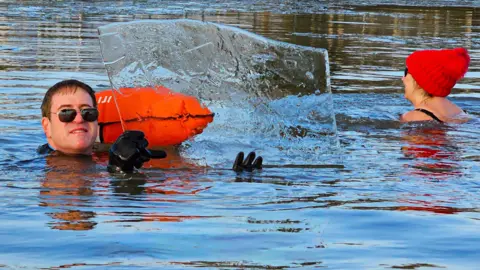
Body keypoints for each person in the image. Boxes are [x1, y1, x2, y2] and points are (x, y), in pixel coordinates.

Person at [38, 79, 262, 173]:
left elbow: (182, 175)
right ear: (47, 127)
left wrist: (235, 178)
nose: (79, 119)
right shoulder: (33, 169)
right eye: (66, 113)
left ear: (97, 121)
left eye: (88, 112)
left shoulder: (129, 152)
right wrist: (117, 173)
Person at [400, 47, 470, 123]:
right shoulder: (461, 113)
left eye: (406, 72)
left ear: (419, 80)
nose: (403, 78)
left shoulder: (412, 117)